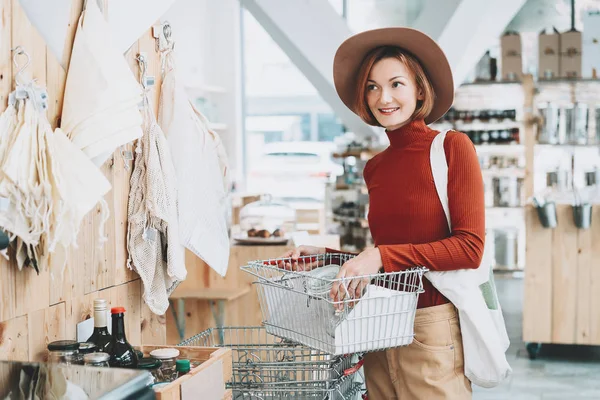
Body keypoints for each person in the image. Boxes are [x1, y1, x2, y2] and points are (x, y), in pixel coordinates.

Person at [280, 27, 484, 399]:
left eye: (395, 84)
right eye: (372, 87)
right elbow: (390, 263)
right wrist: (327, 258)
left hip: (430, 327)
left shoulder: (453, 148)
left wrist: (379, 255)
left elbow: (469, 248)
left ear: (419, 89)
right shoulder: (375, 167)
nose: (383, 97)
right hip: (377, 324)